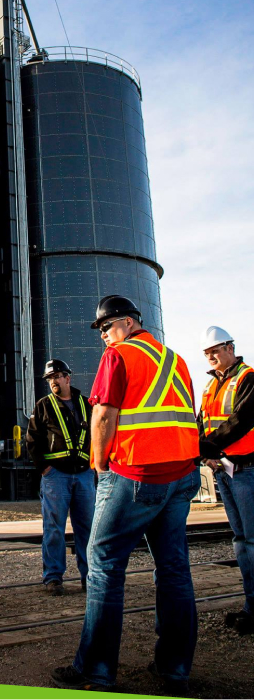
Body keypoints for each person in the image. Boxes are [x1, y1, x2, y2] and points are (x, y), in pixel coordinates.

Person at [52, 295, 201, 694]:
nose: (103, 336)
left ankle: (96, 670)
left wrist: (100, 467)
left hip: (136, 475)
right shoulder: (176, 360)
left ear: (130, 322)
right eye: (101, 331)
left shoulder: (120, 356)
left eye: (106, 327)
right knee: (173, 569)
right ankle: (174, 670)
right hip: (181, 475)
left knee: (102, 565)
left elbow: (102, 414)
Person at [198, 325, 254, 635]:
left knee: (252, 541)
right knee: (241, 541)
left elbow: (242, 419)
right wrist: (204, 453)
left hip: (248, 470)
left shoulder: (248, 378)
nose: (212, 358)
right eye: (207, 354)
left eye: (216, 351)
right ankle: (250, 606)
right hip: (226, 471)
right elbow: (202, 422)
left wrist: (209, 448)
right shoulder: (210, 387)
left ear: (230, 348)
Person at [26, 358, 94, 595]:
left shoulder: (86, 405)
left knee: (87, 527)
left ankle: (90, 577)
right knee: (53, 528)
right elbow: (32, 439)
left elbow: (98, 433)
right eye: (50, 378)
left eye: (57, 376)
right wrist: (45, 468)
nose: (53, 381)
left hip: (84, 474)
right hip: (56, 476)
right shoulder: (44, 406)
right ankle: (53, 577)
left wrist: (93, 465)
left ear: (68, 377)